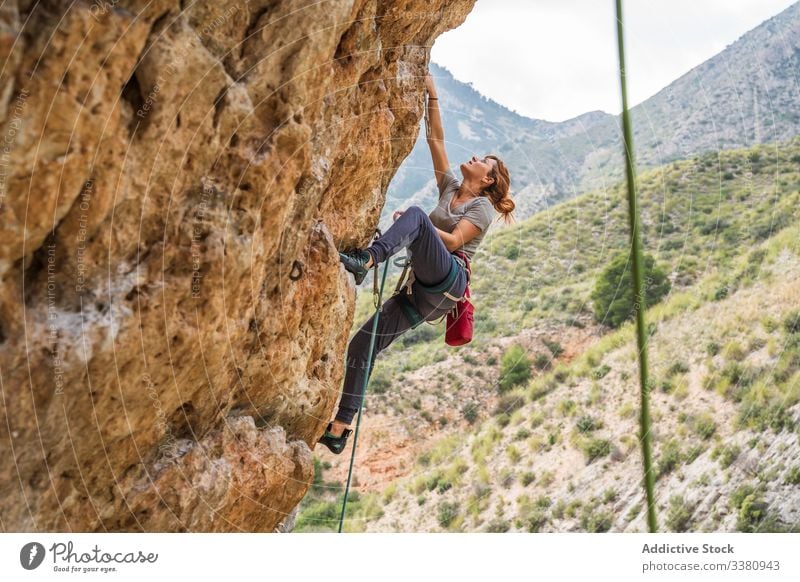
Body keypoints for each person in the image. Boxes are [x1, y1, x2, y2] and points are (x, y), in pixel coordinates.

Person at [319, 73, 515, 454]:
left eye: (481, 161)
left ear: (488, 179)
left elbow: (457, 241)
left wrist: (417, 226)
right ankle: (341, 428)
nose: (472, 158)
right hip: (420, 291)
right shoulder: (450, 188)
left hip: (448, 280)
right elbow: (435, 139)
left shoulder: (482, 208)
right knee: (363, 343)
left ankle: (367, 260)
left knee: (414, 216)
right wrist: (433, 94)